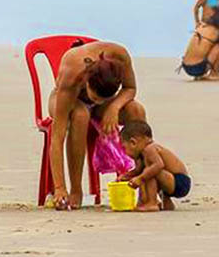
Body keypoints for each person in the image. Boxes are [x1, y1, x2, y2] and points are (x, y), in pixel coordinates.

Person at [48, 40, 146, 210]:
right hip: (67, 99)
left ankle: (146, 183)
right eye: (95, 98)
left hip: (103, 106)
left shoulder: (120, 56)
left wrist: (113, 107)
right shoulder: (72, 75)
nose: (99, 102)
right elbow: (57, 137)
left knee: (136, 110)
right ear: (87, 81)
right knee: (81, 115)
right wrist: (59, 188)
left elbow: (130, 88)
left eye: (103, 99)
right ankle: (76, 189)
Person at [117, 120, 190, 212]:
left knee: (149, 172)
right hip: (170, 179)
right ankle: (166, 203)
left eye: (124, 148)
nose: (125, 153)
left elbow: (158, 165)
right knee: (146, 172)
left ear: (133, 142)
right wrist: (126, 176)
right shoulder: (141, 155)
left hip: (179, 181)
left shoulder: (149, 149)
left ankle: (151, 203)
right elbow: (138, 171)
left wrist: (141, 178)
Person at [179, 3, 219, 80]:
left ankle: (199, 76)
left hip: (186, 66)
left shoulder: (203, 25)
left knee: (209, 43)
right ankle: (214, 74)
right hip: (198, 68)